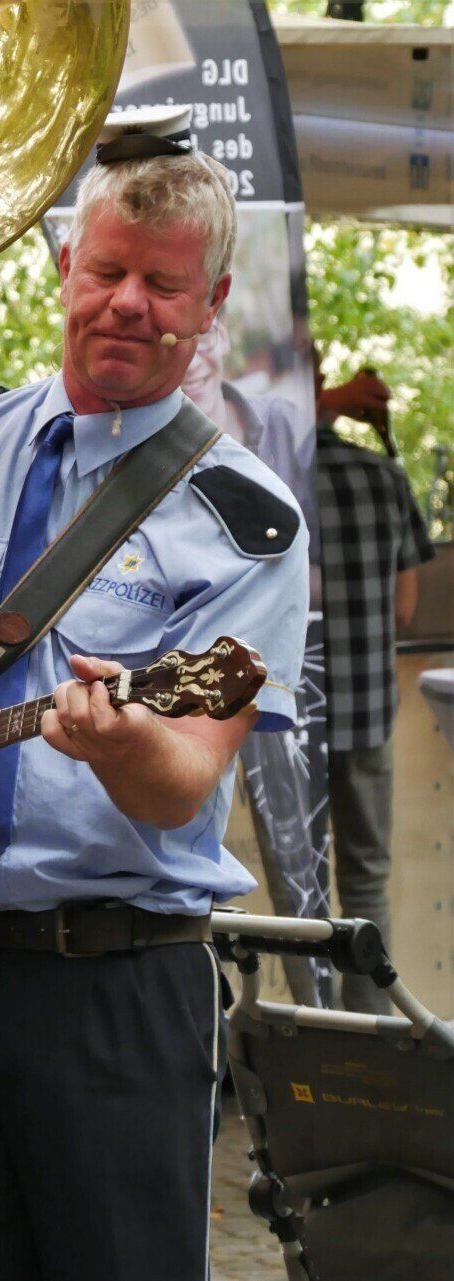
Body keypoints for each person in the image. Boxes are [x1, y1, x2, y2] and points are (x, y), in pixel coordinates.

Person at [0, 108, 311, 1281]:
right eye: (106, 271)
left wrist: (116, 744)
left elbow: (183, 785)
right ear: (64, 266)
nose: (127, 305)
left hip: (112, 987)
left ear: (211, 305)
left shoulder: (249, 524)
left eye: (163, 286)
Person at [313, 373, 436, 1013]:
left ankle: (299, 1034)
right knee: (365, 883)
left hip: (284, 721)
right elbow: (408, 609)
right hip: (363, 707)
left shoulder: (261, 470)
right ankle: (369, 1034)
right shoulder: (382, 478)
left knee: (296, 889)